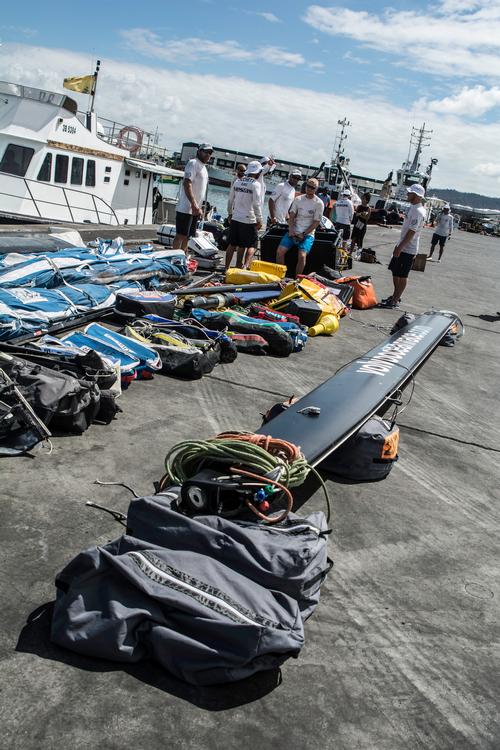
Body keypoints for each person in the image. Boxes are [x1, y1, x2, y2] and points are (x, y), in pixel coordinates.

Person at [380, 183, 426, 309]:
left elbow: (412, 231)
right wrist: (399, 245)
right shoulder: (413, 207)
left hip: (408, 248)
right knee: (395, 271)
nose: (407, 194)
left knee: (402, 275)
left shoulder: (418, 211)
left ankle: (395, 300)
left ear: (416, 196)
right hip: (402, 245)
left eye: (410, 193)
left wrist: (400, 247)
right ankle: (396, 295)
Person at [276, 177, 324, 277]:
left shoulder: (319, 203)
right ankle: (280, 276)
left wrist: (303, 234)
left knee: (302, 255)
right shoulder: (298, 199)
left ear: (316, 189)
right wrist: (291, 229)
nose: (309, 189)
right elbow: (291, 216)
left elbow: (316, 222)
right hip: (294, 230)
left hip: (307, 234)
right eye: (308, 186)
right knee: (280, 251)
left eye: (312, 187)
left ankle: (296, 279)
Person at [173, 143, 213, 250]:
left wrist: (199, 207)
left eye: (210, 153)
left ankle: (182, 258)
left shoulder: (203, 168)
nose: (208, 155)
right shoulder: (193, 163)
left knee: (187, 237)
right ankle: (174, 259)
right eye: (206, 152)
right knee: (180, 235)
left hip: (195, 209)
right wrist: (194, 204)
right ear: (199, 151)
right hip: (186, 207)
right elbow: (187, 183)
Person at [225, 160, 263, 270]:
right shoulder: (256, 185)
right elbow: (256, 204)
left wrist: (230, 214)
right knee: (251, 245)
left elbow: (230, 200)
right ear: (258, 172)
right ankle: (242, 267)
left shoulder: (237, 182)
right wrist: (259, 219)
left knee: (232, 244)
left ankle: (227, 268)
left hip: (236, 217)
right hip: (249, 219)